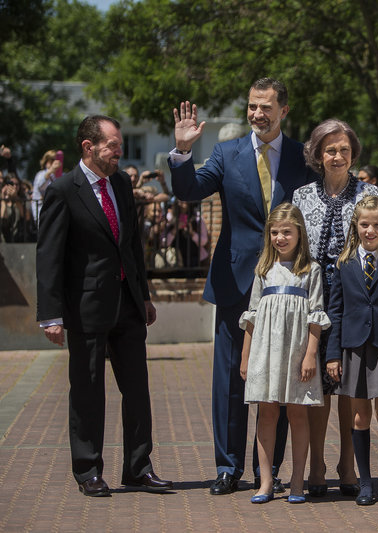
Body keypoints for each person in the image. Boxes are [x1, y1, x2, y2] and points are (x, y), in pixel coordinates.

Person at [170, 77, 316, 495]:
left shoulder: (301, 157)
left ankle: (266, 471)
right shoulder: (226, 153)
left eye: (265, 107)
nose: (257, 114)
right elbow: (189, 191)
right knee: (232, 379)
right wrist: (182, 151)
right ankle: (227, 467)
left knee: (282, 383)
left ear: (283, 110)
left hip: (287, 289)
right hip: (235, 284)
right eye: (252, 106)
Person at [36, 115, 172, 496]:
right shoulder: (63, 190)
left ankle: (139, 468)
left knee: (138, 391)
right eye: (112, 145)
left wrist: (143, 295)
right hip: (86, 309)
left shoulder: (121, 183)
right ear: (88, 147)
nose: (119, 151)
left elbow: (130, 247)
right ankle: (87, 471)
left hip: (127, 306)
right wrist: (51, 314)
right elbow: (49, 257)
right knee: (88, 392)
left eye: (119, 145)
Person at [293, 118, 378, 497]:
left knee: (350, 386)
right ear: (317, 153)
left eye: (344, 150)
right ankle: (317, 467)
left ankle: (349, 466)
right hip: (313, 301)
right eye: (330, 149)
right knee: (316, 385)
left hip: (354, 303)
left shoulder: (370, 193)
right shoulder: (301, 196)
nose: (337, 156)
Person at [239, 204, 328, 504]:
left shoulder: (310, 271)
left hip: (297, 350)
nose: (280, 238)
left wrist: (310, 355)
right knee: (267, 411)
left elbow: (316, 316)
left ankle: (298, 482)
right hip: (265, 351)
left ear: (299, 233)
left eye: (286, 232)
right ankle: (265, 482)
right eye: (275, 232)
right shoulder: (263, 269)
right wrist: (245, 357)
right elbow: (251, 317)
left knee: (297, 411)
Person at [326, 196, 378, 506]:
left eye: (377, 224)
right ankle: (365, 483)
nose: (370, 230)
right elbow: (335, 311)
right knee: (361, 416)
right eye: (364, 224)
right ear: (356, 226)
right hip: (354, 349)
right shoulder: (344, 263)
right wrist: (332, 354)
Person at [31, 150, 61, 226]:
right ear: (47, 161)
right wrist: (51, 170)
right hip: (41, 211)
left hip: (53, 211)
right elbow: (40, 186)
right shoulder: (40, 174)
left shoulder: (56, 176)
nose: (55, 162)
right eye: (52, 160)